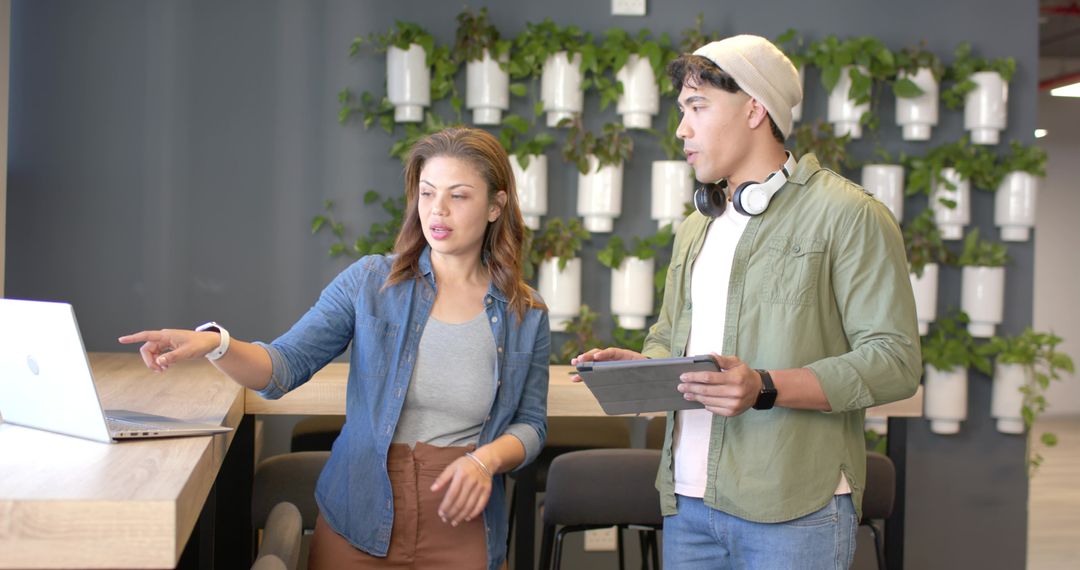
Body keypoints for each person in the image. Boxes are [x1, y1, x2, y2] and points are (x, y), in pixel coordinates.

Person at [120, 127, 550, 570]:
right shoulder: (370, 282)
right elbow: (282, 366)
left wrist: (485, 461)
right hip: (357, 520)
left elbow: (531, 424)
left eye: (458, 196)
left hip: (463, 527)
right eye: (427, 193)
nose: (437, 209)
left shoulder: (526, 312)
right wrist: (216, 343)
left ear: (496, 205)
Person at [573, 35, 921, 569]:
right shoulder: (695, 228)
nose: (681, 129)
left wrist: (765, 386)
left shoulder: (849, 215)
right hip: (688, 505)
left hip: (796, 508)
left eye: (697, 106)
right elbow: (671, 336)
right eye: (681, 110)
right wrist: (645, 368)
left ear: (755, 107)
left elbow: (895, 363)